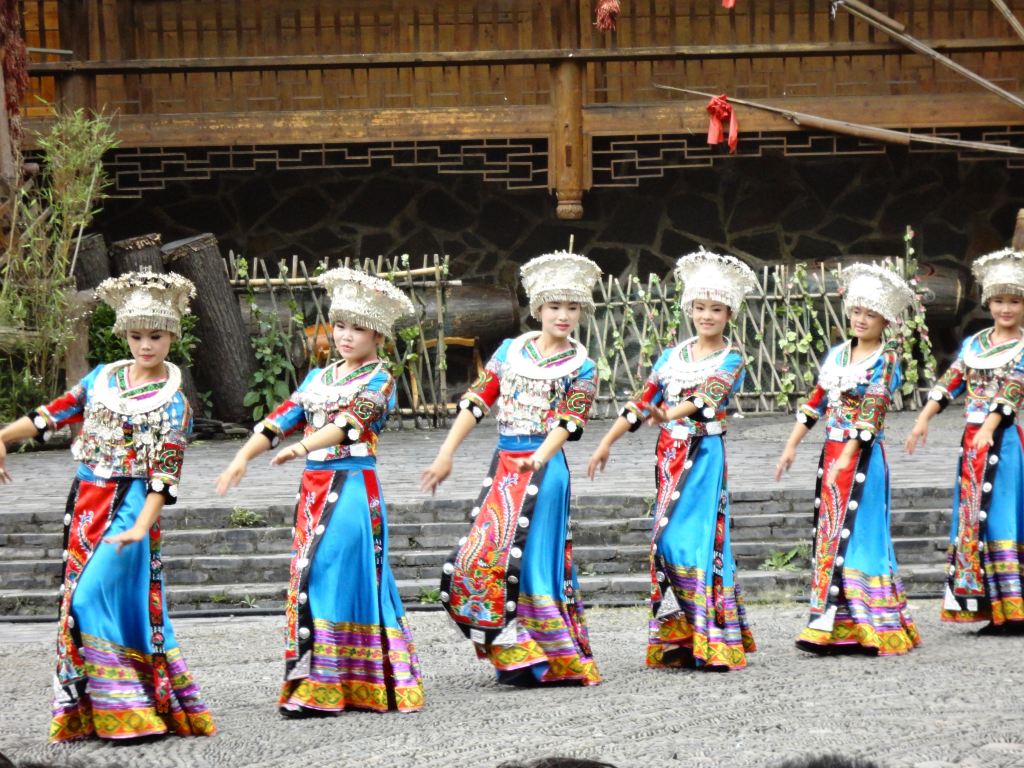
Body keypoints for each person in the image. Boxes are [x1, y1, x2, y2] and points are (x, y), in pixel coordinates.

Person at [0, 271, 215, 742]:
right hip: (84, 503)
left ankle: (129, 709)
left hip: (131, 505)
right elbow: (50, 415)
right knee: (88, 602)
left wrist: (141, 526)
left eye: (155, 336)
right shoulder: (102, 378)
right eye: (136, 336)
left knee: (87, 598)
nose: (145, 345)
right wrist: (2, 435)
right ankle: (111, 711)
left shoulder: (175, 405)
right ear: (124, 334)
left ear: (172, 336)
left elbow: (164, 475)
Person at [215, 267, 424, 714]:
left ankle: (328, 684)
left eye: (359, 329)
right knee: (311, 575)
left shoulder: (380, 380)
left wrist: (304, 447)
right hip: (313, 491)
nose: (346, 336)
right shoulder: (317, 379)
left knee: (327, 570)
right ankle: (329, 680)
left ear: (378, 336)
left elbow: (349, 425)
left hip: (351, 485)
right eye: (341, 325)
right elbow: (277, 421)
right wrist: (241, 457)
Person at [421, 251, 602, 686]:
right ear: (537, 309)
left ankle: (545, 657)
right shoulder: (509, 351)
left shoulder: (584, 367)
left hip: (545, 470)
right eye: (555, 306)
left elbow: (568, 423)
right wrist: (446, 453)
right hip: (504, 465)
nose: (563, 315)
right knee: (478, 555)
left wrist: (539, 457)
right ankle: (514, 647)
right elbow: (477, 401)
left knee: (531, 561)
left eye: (572, 307)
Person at [588, 249, 757, 670]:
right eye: (699, 307)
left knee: (696, 541)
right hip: (668, 455)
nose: (706, 316)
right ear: (689, 309)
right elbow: (641, 401)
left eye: (715, 309)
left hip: (703, 454)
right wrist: (606, 441)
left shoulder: (732, 358)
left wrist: (669, 413)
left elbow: (706, 399)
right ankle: (687, 634)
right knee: (663, 541)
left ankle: (712, 637)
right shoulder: (671, 356)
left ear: (728, 314)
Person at [776, 263, 919, 656]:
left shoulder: (886, 360)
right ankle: (829, 625)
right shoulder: (838, 355)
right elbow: (815, 403)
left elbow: (872, 414)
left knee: (858, 534)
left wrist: (849, 458)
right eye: (856, 311)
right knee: (829, 533)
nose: (860, 319)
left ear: (884, 320)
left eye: (870, 314)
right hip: (832, 454)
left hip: (864, 459)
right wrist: (792, 445)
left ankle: (872, 624)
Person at [906, 248, 1024, 631]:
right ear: (988, 303)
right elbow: (950, 382)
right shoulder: (975, 345)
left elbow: (1011, 392)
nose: (1006, 309)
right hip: (972, 441)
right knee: (972, 517)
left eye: (1015, 301)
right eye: (1000, 301)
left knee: (1001, 515)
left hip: (1003, 442)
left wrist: (989, 429)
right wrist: (923, 419)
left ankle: (1014, 607)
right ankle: (989, 605)